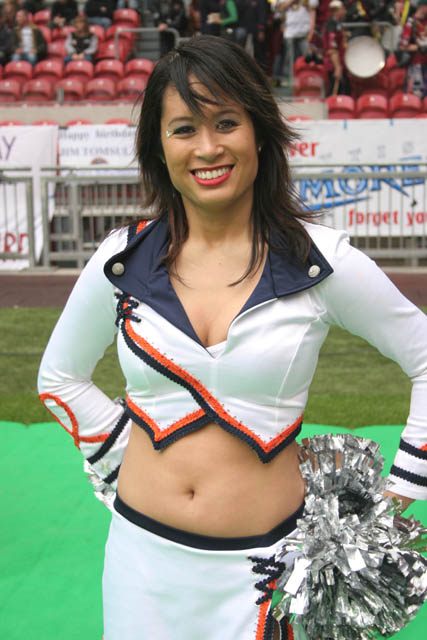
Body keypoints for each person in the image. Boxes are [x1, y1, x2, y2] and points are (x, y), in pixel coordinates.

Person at [38, 35, 427, 640]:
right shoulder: (121, 260)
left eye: (226, 123)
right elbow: (59, 378)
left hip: (265, 572)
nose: (208, 148)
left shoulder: (320, 261)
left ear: (259, 133)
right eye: (183, 129)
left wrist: (400, 490)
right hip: (142, 563)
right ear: (158, 146)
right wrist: (121, 458)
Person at [398, 0, 427, 98]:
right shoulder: (411, 22)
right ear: (422, 7)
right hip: (416, 66)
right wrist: (420, 47)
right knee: (416, 97)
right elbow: (402, 46)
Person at [322, 0, 349, 95]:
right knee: (334, 95)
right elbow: (332, 49)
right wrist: (337, 68)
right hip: (333, 67)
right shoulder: (331, 26)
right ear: (336, 11)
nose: (345, 12)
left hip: (340, 64)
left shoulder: (338, 24)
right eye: (343, 9)